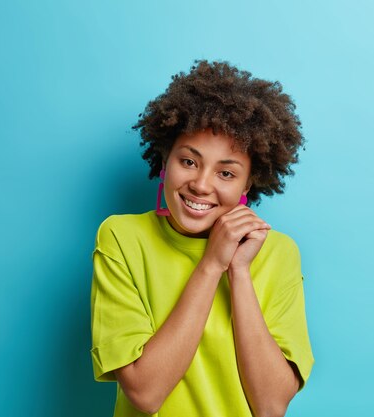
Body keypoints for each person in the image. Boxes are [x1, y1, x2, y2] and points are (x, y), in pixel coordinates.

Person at [91, 60, 314, 417]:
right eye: (189, 162)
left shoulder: (279, 253)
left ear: (248, 183)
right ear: (166, 158)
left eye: (226, 172)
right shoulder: (122, 238)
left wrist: (238, 270)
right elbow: (145, 393)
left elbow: (271, 407)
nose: (201, 184)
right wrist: (212, 264)